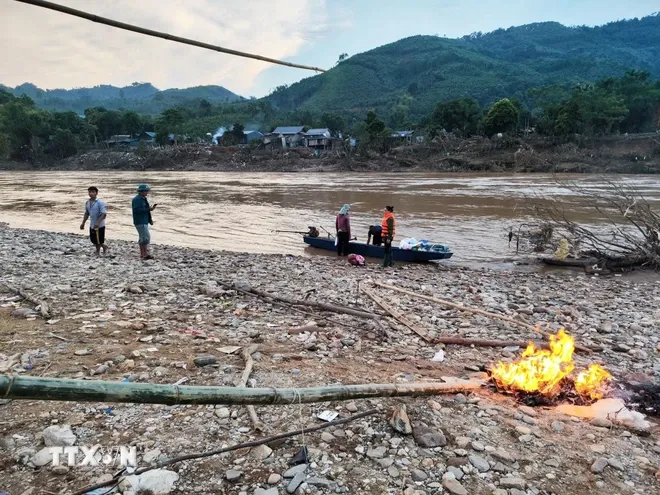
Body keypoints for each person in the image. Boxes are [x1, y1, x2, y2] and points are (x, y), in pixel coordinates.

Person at [80, 186, 108, 256]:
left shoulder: (100, 202)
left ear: (96, 193)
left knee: (99, 240)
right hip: (92, 224)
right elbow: (87, 213)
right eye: (90, 192)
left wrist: (98, 222)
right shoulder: (87, 202)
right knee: (93, 240)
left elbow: (104, 214)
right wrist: (83, 223)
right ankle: (104, 247)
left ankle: (98, 251)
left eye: (93, 192)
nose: (91, 193)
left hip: (100, 225)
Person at [132, 184, 156, 260]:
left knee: (143, 238)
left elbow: (145, 209)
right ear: (141, 191)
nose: (147, 192)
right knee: (145, 238)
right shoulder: (137, 199)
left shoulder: (143, 198)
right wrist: (148, 209)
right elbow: (137, 210)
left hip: (144, 220)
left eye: (147, 191)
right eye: (146, 191)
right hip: (140, 221)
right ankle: (144, 254)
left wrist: (150, 219)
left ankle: (144, 254)